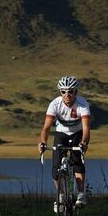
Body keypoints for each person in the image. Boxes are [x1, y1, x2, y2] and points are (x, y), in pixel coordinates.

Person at [39, 76, 91, 208]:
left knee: (77, 162)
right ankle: (60, 195)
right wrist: (43, 142)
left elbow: (86, 128)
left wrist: (84, 143)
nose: (67, 95)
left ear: (76, 92)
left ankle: (80, 194)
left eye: (70, 91)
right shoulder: (54, 104)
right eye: (63, 92)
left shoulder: (83, 104)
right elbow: (46, 128)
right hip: (61, 133)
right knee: (56, 168)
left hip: (77, 133)